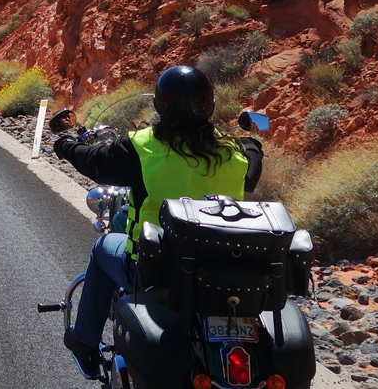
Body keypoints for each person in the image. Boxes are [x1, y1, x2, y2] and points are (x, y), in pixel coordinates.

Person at [52, 65, 263, 380]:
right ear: (210, 105)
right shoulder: (232, 150)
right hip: (222, 265)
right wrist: (253, 144)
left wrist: (65, 145)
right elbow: (252, 170)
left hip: (155, 268)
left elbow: (94, 162)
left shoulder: (141, 147)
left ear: (160, 106)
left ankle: (85, 342)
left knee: (102, 249)